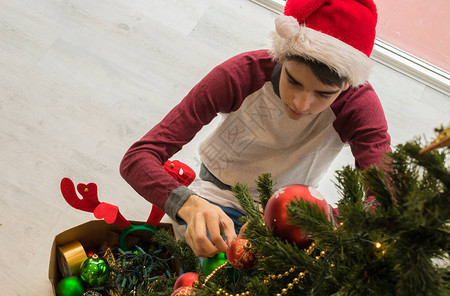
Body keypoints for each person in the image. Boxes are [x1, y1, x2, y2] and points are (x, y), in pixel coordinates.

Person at [120, 0, 391, 258]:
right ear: (282, 58)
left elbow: (386, 199)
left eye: (322, 94)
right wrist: (188, 204)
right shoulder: (241, 74)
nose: (301, 103)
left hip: (293, 215)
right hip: (219, 192)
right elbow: (138, 158)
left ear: (346, 86)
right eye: (294, 82)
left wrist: (316, 218)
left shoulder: (359, 106)